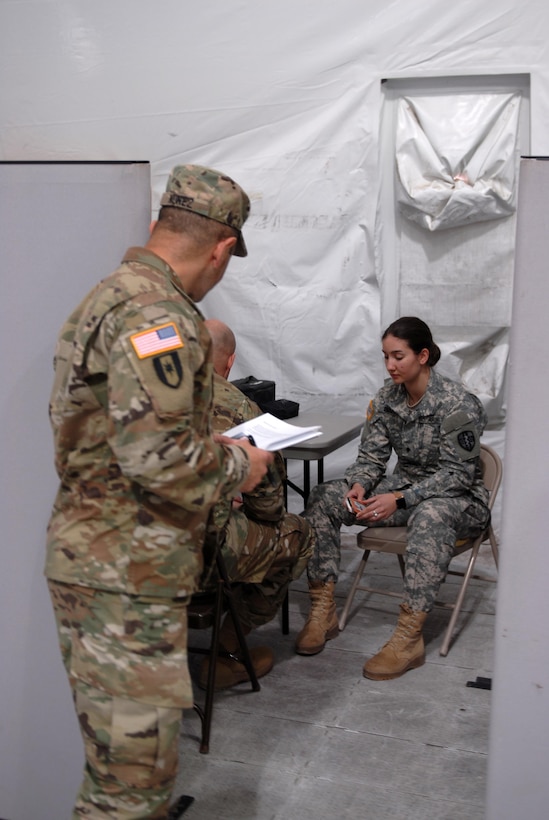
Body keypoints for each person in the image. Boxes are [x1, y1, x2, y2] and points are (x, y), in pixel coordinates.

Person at [45, 164, 274, 819]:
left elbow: (99, 436)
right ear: (222, 247)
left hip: (98, 562)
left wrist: (208, 453)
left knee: (114, 774)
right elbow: (157, 453)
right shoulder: (159, 313)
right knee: (130, 790)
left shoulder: (104, 297)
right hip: (127, 579)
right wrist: (239, 467)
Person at [296, 316, 490, 681]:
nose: (390, 366)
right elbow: (372, 457)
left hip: (458, 501)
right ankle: (322, 609)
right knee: (324, 497)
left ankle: (409, 638)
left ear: (423, 355)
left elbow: (458, 476)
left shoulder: (458, 404)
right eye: (385, 356)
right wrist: (359, 485)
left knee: (430, 515)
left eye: (398, 356)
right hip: (405, 490)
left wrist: (399, 498)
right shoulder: (387, 398)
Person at [200, 318, 313, 690]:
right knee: (297, 535)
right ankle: (226, 653)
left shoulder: (153, 399)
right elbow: (268, 508)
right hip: (204, 554)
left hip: (146, 552)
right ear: (230, 362)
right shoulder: (241, 410)